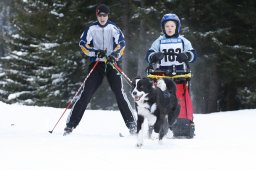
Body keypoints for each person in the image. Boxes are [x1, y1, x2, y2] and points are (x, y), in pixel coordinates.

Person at [64, 4, 136, 135]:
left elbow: (122, 43)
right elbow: (83, 44)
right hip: (97, 63)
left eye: (105, 15)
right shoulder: (91, 28)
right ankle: (70, 125)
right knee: (86, 93)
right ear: (97, 16)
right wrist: (96, 53)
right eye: (100, 15)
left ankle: (132, 124)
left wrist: (114, 55)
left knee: (120, 93)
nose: (102, 18)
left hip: (111, 63)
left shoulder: (113, 27)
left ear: (108, 16)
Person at [145, 13, 197, 138]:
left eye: (172, 26)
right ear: (163, 27)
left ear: (177, 27)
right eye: (167, 26)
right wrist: (154, 56)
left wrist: (187, 56)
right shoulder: (159, 41)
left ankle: (184, 123)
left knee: (180, 99)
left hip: (180, 75)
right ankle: (157, 124)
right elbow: (148, 55)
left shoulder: (184, 41)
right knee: (160, 100)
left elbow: (193, 55)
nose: (169, 28)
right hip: (163, 76)